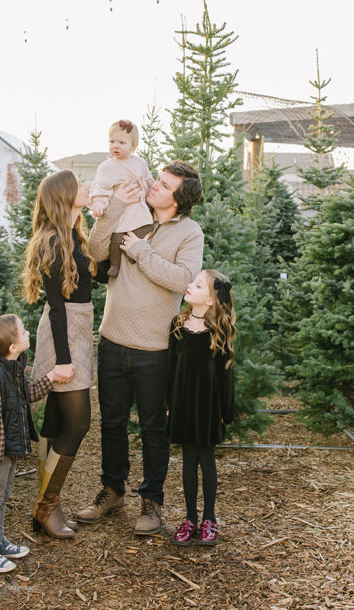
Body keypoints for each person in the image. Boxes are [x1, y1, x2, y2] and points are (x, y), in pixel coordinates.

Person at [74, 160, 204, 536]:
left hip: (154, 347)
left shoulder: (189, 232)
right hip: (113, 338)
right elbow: (96, 252)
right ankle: (112, 491)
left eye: (163, 186)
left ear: (178, 200)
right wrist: (114, 207)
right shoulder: (133, 213)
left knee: (153, 427)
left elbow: (182, 279)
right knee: (111, 422)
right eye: (158, 179)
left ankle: (152, 501)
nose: (153, 186)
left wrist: (141, 251)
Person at [21, 169, 96, 539]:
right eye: (80, 184)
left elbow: (103, 271)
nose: (86, 187)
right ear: (64, 195)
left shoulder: (73, 235)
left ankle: (46, 507)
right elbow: (57, 306)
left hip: (78, 331)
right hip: (62, 334)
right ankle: (46, 506)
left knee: (55, 420)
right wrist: (64, 360)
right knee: (78, 423)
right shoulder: (51, 241)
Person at [0, 314, 55, 573]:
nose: (28, 333)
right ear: (12, 347)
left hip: (8, 449)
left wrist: (51, 379)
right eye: (23, 331)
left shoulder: (12, 370)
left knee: (3, 496)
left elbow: (26, 395)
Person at [166, 270, 236, 547]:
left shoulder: (220, 328)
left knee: (206, 462)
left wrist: (224, 409)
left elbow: (226, 374)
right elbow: (171, 366)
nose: (189, 286)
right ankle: (190, 517)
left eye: (197, 285)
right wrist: (169, 404)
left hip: (208, 405)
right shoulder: (178, 324)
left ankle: (209, 518)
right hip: (183, 402)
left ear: (210, 300)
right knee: (187, 460)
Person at [88, 120, 155, 277]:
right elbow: (101, 188)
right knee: (117, 238)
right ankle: (116, 265)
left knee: (145, 228)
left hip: (139, 207)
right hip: (121, 211)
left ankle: (134, 253)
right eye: (112, 142)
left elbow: (149, 180)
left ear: (133, 146)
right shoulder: (108, 167)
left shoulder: (140, 163)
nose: (115, 146)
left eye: (121, 142)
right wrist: (98, 205)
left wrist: (153, 190)